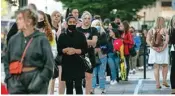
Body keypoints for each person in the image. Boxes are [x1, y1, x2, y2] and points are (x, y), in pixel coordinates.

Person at [4, 8, 54, 94]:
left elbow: (49, 64)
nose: (17, 21)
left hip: (36, 82)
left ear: (29, 21)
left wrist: (40, 80)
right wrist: (10, 80)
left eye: (20, 19)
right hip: (16, 83)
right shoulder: (13, 39)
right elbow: (6, 61)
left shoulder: (41, 39)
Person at [57, 16, 88, 94]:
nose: (72, 24)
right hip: (67, 64)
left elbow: (85, 49)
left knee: (78, 86)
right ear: (67, 23)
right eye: (70, 22)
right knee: (69, 87)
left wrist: (75, 51)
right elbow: (59, 50)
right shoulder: (62, 36)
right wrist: (66, 50)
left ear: (76, 23)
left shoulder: (81, 35)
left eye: (74, 22)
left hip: (78, 63)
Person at [37, 10, 58, 94]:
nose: (39, 21)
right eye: (37, 19)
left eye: (41, 19)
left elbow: (54, 49)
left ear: (45, 20)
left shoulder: (51, 33)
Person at [77, 11, 98, 94]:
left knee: (88, 77)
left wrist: (82, 41)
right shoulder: (77, 30)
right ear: (82, 19)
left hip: (90, 56)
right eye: (85, 18)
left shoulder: (93, 29)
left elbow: (94, 42)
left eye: (89, 18)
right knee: (78, 78)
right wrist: (89, 42)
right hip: (78, 56)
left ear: (91, 20)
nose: (87, 20)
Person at [146, 17, 169, 89]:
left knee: (156, 67)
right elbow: (167, 41)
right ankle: (164, 81)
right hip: (163, 50)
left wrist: (153, 48)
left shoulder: (151, 30)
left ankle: (157, 84)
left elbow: (147, 40)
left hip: (154, 50)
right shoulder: (165, 30)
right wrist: (163, 48)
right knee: (165, 65)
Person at [50, 10, 66, 94]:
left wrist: (60, 27)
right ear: (51, 17)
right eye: (55, 15)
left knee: (61, 78)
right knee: (52, 78)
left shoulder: (63, 29)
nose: (56, 17)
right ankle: (51, 93)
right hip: (52, 54)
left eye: (58, 16)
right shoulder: (48, 28)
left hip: (61, 54)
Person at [91, 20, 108, 94]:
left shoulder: (103, 33)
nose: (97, 26)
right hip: (93, 55)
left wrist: (96, 44)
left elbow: (104, 43)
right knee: (93, 73)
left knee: (102, 72)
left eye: (98, 24)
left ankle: (102, 87)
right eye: (95, 24)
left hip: (102, 55)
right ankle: (92, 88)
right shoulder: (91, 33)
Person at [169, 15, 175, 94]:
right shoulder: (171, 30)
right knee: (174, 68)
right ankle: (173, 87)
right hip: (174, 50)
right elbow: (170, 41)